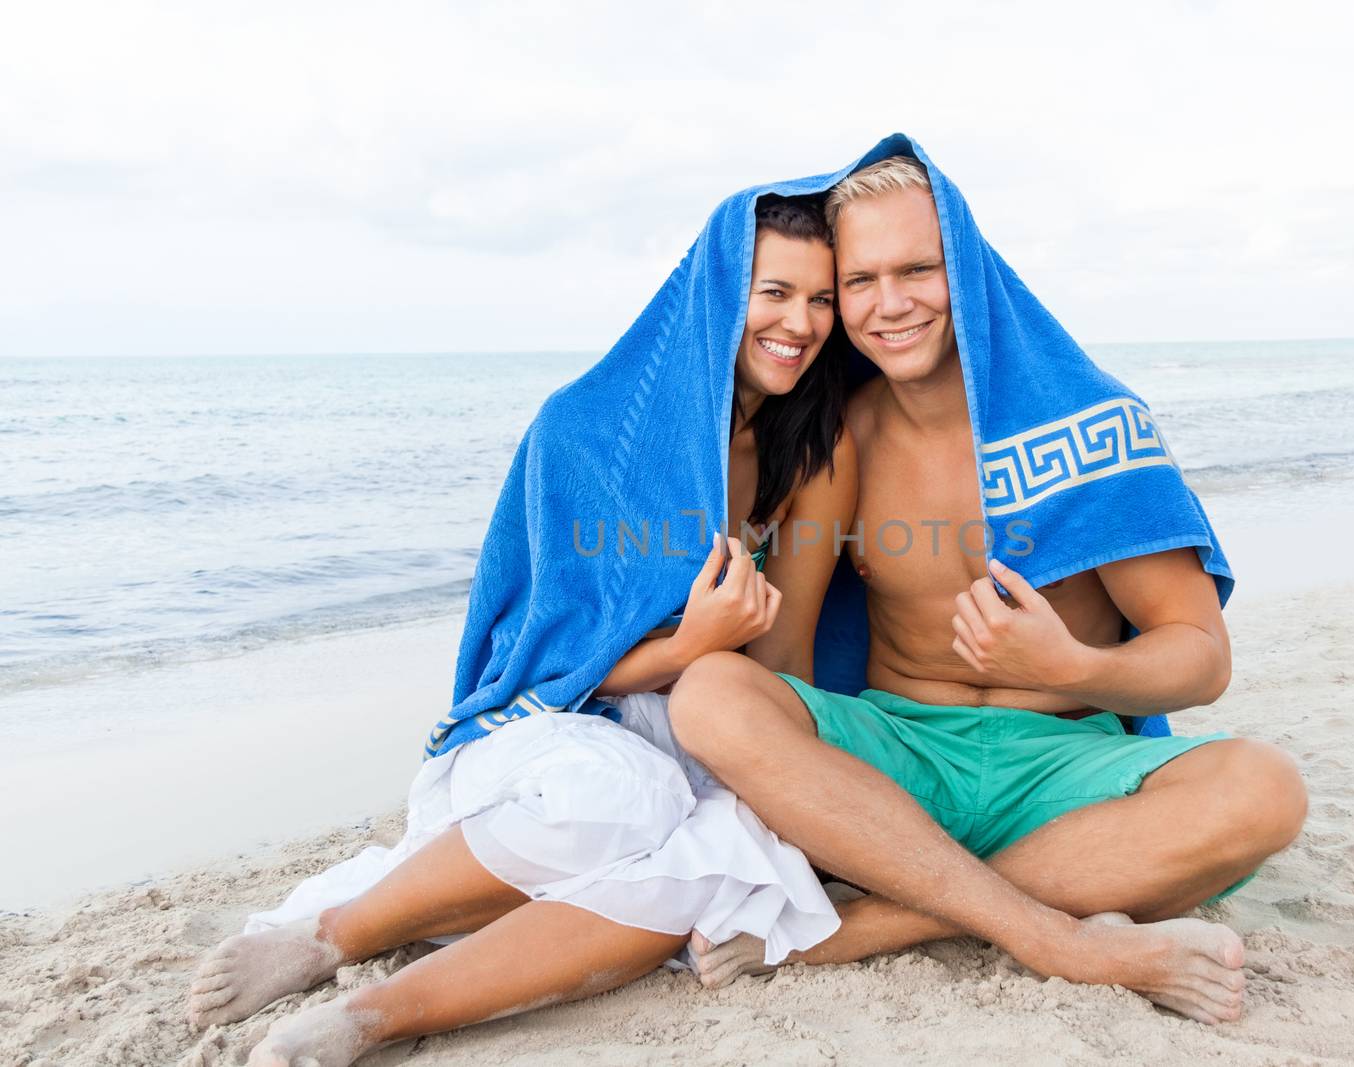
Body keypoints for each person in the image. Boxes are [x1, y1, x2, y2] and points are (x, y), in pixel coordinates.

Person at [186, 194, 858, 1066]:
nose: (799, 323)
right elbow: (541, 654)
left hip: (704, 731)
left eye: (821, 299)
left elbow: (785, 664)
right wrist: (692, 643)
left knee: (728, 869)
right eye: (775, 291)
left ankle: (371, 1017)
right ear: (718, 293)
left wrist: (740, 673)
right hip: (551, 735)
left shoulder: (800, 451)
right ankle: (332, 934)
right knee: (624, 799)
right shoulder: (585, 431)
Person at [670, 157, 1308, 1025]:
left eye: (916, 270)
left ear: (965, 268)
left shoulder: (1090, 424)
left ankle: (862, 927)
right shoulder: (847, 433)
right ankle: (1056, 932)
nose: (888, 304)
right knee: (711, 693)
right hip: (902, 759)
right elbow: (786, 662)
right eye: (859, 280)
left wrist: (1070, 663)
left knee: (1263, 786)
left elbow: (1201, 659)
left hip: (1063, 763)